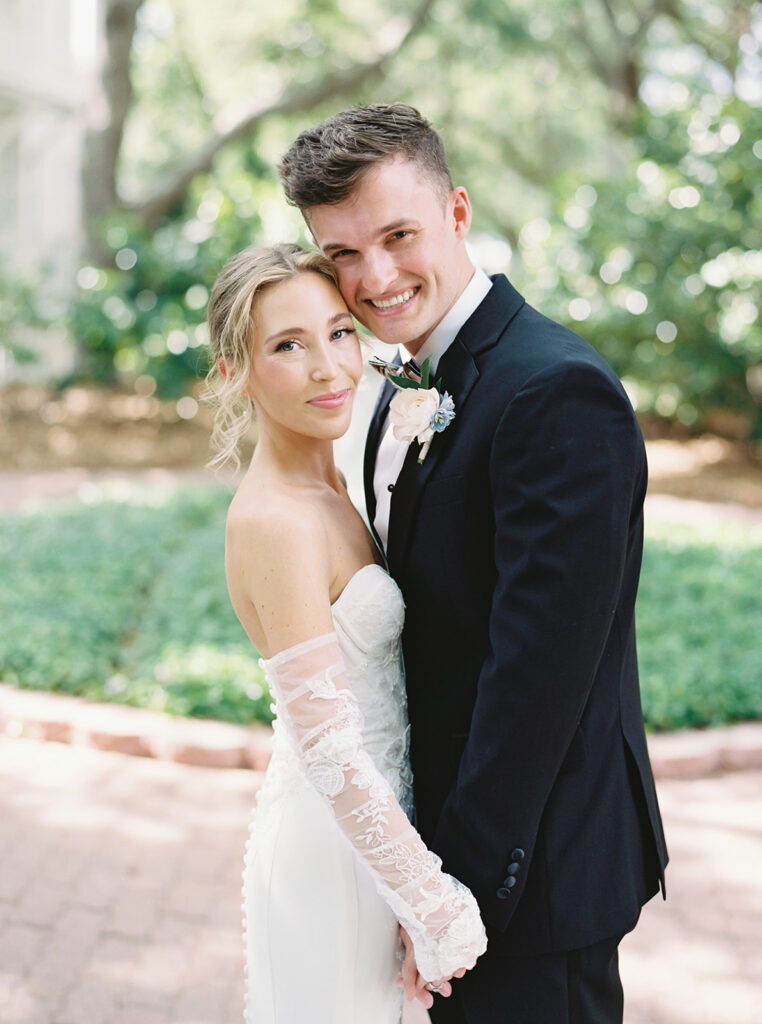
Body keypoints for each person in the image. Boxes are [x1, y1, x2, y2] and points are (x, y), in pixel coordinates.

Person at [278, 103, 669, 1024]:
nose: (374, 277)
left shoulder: (556, 392)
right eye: (342, 253)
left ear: (457, 213)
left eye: (398, 235)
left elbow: (538, 679)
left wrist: (453, 897)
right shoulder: (391, 385)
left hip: (530, 872)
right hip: (435, 855)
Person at [204, 243, 487, 1024]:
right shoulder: (275, 522)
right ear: (236, 370)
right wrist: (431, 901)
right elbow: (328, 745)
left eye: (338, 332)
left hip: (378, 844)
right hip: (332, 857)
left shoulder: (332, 482)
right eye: (287, 346)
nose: (329, 368)